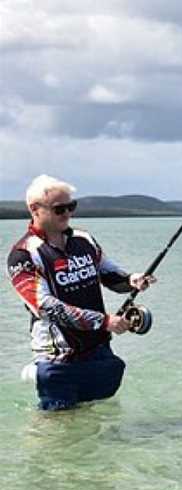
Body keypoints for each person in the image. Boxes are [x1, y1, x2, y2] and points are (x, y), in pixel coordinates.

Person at [7, 174, 156, 411]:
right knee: (58, 431)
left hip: (99, 352)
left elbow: (109, 274)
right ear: (35, 209)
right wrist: (105, 321)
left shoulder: (84, 240)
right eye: (59, 209)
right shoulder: (22, 255)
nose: (67, 213)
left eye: (71, 206)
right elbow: (46, 307)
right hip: (58, 360)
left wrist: (132, 280)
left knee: (99, 420)